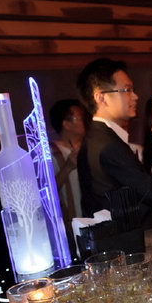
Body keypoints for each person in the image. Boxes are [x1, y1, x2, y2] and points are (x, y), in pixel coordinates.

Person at [76, 58, 152, 230]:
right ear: (101, 98)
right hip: (135, 242)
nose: (135, 96)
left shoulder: (99, 138)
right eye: (127, 90)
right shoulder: (108, 145)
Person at [49, 99, 89, 240]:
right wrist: (67, 167)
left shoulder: (90, 146)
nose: (85, 121)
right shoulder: (50, 153)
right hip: (70, 227)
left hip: (96, 219)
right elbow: (46, 192)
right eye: (80, 118)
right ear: (66, 124)